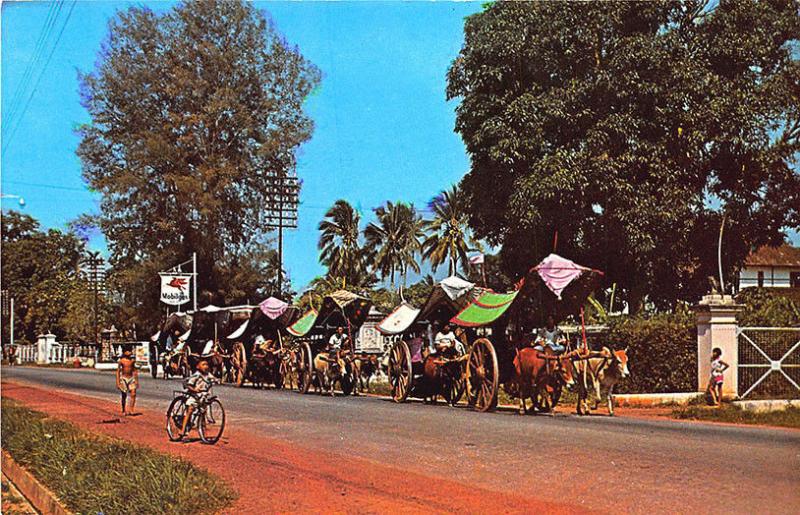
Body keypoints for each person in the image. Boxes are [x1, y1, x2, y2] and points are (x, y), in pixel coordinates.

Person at [180, 358, 216, 437]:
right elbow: (189, 385)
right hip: (194, 395)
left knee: (203, 412)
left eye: (206, 364)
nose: (206, 366)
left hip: (203, 395)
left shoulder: (208, 374)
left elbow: (213, 378)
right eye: (203, 365)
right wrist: (195, 389)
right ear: (198, 367)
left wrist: (216, 380)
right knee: (190, 410)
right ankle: (183, 430)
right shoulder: (196, 375)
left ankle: (202, 430)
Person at [116, 346, 139, 415]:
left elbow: (134, 370)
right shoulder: (121, 361)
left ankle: (131, 409)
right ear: (124, 352)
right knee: (124, 395)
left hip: (131, 378)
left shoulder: (132, 361)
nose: (130, 352)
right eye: (128, 351)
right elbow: (118, 371)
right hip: (123, 379)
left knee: (133, 394)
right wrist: (118, 382)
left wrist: (136, 380)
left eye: (130, 351)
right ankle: (123, 410)